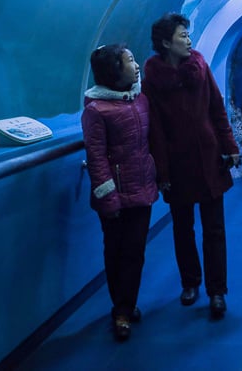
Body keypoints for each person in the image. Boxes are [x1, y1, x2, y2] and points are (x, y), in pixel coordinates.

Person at [141, 13, 241, 319]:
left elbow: (216, 108)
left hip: (209, 158)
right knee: (182, 228)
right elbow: (155, 128)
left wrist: (230, 146)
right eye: (182, 35)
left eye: (188, 34)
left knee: (214, 228)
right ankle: (190, 283)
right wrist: (162, 171)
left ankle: (217, 291)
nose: (188, 40)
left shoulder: (199, 67)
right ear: (165, 42)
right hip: (176, 162)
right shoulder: (153, 80)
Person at [81, 44, 160, 341]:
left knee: (135, 252)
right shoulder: (96, 110)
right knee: (116, 252)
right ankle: (121, 309)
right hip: (113, 195)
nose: (136, 65)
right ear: (114, 70)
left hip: (141, 188)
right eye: (129, 61)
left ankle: (127, 303)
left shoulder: (140, 101)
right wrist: (108, 197)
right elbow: (97, 157)